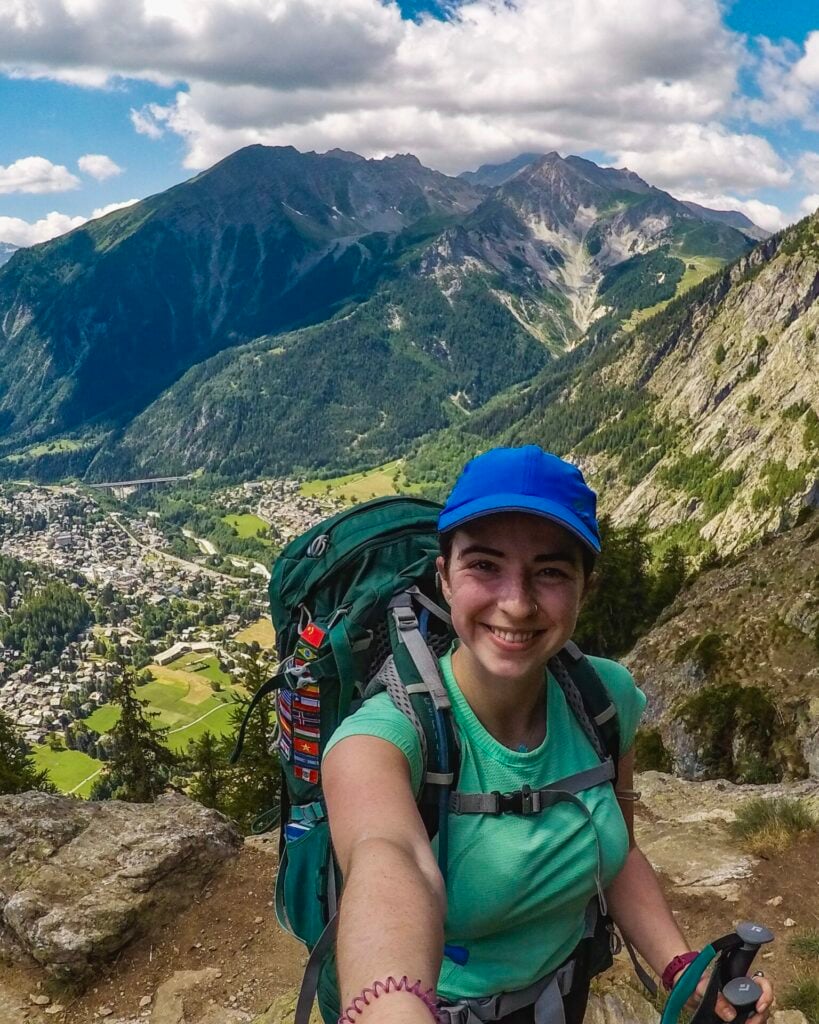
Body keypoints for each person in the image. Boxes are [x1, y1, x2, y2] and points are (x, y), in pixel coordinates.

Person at [322, 446, 774, 1024]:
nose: (516, 602)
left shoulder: (604, 699)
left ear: (585, 587)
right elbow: (390, 858)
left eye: (551, 571)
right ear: (445, 579)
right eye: (484, 565)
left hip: (564, 991)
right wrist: (390, 1009)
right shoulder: (384, 738)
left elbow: (620, 853)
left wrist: (681, 971)